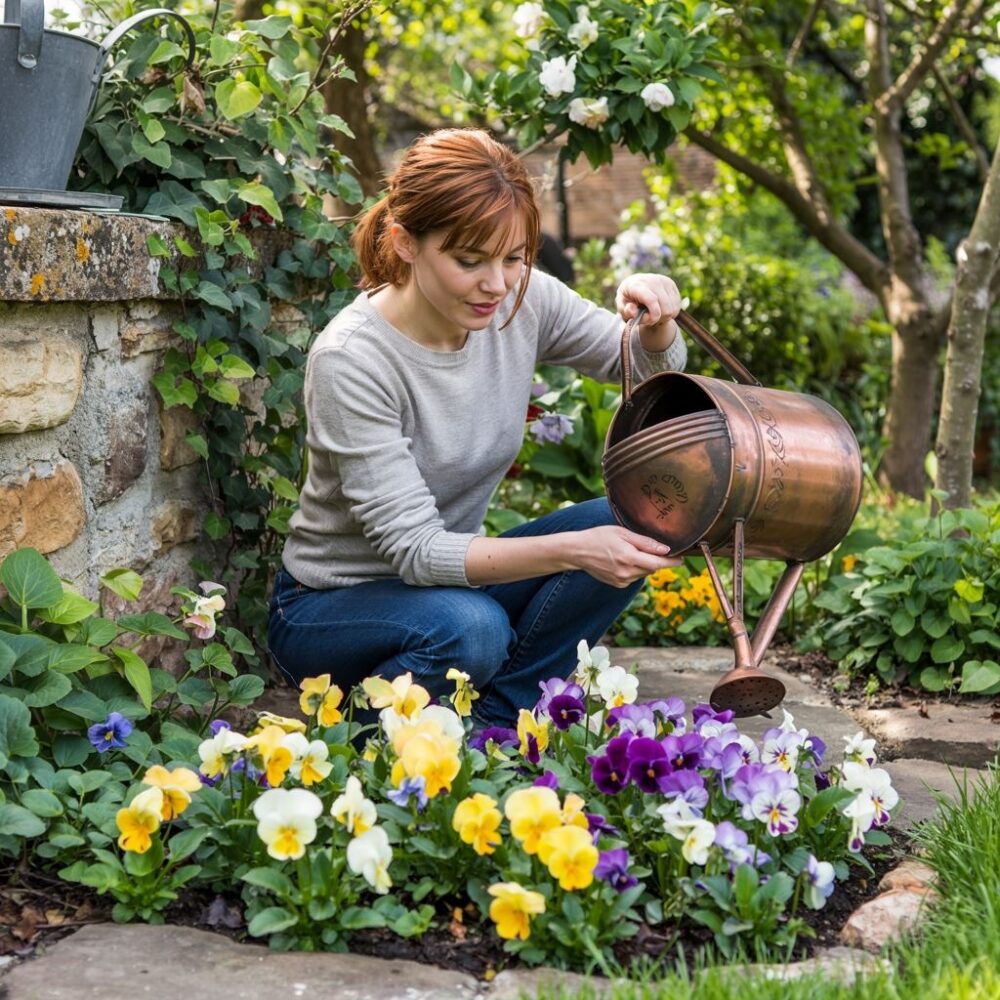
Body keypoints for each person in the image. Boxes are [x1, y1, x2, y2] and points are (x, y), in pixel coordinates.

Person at [267, 127, 686, 730]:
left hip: (449, 591)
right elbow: (414, 551)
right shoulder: (353, 360)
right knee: (474, 631)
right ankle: (366, 728)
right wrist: (574, 551)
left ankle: (497, 724)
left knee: (634, 518)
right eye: (469, 261)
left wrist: (656, 323)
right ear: (405, 242)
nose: (496, 283)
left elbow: (645, 369)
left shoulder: (521, 300)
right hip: (329, 610)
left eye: (514, 257)